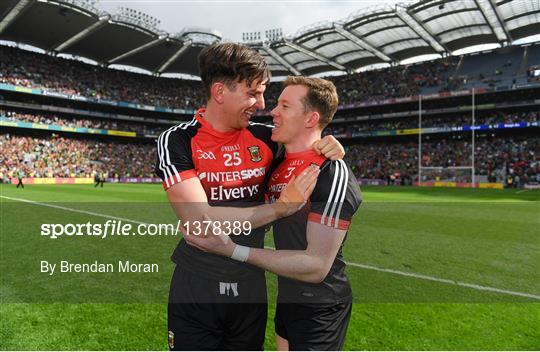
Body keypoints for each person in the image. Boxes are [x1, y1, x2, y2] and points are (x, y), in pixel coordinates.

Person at [155, 43, 345, 351]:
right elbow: (199, 220)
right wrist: (279, 209)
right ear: (220, 92)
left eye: (263, 93)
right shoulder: (178, 140)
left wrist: (327, 144)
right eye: (253, 93)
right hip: (197, 286)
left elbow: (306, 142)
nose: (261, 104)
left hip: (250, 286)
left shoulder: (264, 138)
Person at [184, 76, 362, 350]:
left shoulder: (331, 172)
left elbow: (316, 267)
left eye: (285, 106)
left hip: (321, 305)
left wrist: (233, 250)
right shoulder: (275, 163)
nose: (272, 112)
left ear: (310, 119)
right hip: (287, 294)